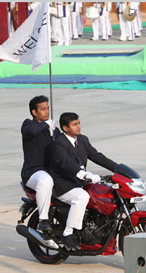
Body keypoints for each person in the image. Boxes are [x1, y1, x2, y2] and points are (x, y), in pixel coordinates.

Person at [49, 112, 118, 249]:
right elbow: (66, 163)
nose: (78, 126)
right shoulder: (58, 144)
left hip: (79, 182)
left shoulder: (82, 140)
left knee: (103, 193)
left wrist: (118, 168)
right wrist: (85, 175)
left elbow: (96, 156)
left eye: (79, 123)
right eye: (74, 124)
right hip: (63, 184)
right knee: (82, 197)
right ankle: (68, 233)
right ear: (65, 128)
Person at [21, 96, 60, 234]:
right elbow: (30, 132)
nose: (47, 112)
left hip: (51, 171)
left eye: (48, 108)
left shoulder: (54, 129)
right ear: (34, 112)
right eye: (43, 109)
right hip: (33, 172)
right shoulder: (28, 125)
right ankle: (43, 219)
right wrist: (45, 125)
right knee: (45, 180)